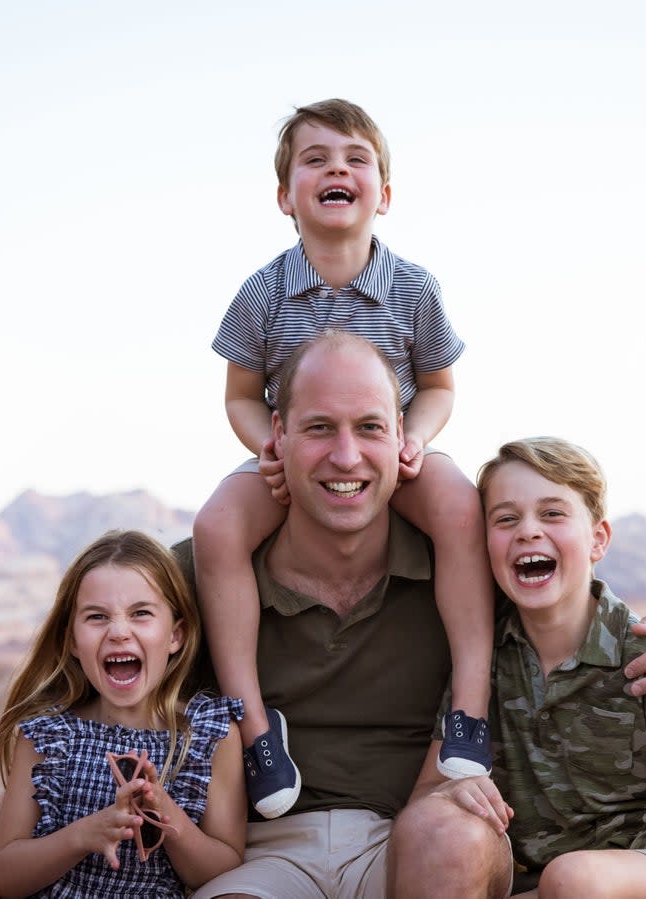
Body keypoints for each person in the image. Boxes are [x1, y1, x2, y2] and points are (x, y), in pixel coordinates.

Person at [0, 331, 646, 899]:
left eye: (369, 428)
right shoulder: (205, 580)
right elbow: (76, 718)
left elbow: (568, 601)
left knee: (450, 832)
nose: (345, 456)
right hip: (262, 855)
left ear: (403, 443)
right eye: (319, 427)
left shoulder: (461, 570)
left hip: (415, 841)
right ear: (276, 438)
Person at [192, 98, 495, 819]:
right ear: (284, 195)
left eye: (356, 158)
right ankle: (257, 729)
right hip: (297, 458)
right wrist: (263, 444)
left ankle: (471, 708)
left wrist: (415, 435)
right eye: (316, 159)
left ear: (383, 195)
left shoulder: (414, 288)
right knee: (215, 528)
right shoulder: (263, 292)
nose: (337, 168)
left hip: (392, 453)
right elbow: (238, 395)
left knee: (458, 504)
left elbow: (441, 384)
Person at [424, 438, 646, 898]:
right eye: (506, 519)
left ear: (598, 539)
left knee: (576, 878)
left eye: (552, 513)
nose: (528, 531)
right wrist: (452, 793)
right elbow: (428, 795)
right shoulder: (482, 657)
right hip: (551, 883)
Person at [0, 530, 247, 897]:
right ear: (72, 640)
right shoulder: (49, 736)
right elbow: (3, 877)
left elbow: (219, 870)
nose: (119, 631)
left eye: (141, 614)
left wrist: (163, 813)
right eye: (97, 617)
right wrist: (83, 835)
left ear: (175, 635)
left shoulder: (209, 735)